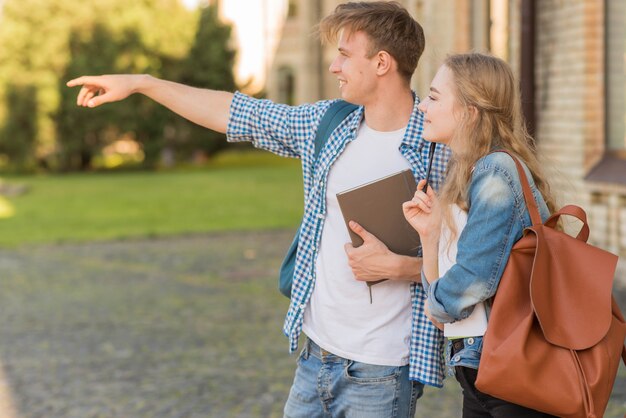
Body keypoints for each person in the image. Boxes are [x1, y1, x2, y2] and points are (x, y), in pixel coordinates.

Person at [67, 2, 450, 417]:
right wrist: (144, 84)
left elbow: (476, 267)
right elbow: (237, 113)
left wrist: (400, 268)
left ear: (381, 63)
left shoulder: (441, 152)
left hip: (383, 371)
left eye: (344, 54)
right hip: (315, 357)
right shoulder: (330, 123)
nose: (333, 66)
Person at [402, 52, 557, 418]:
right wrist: (429, 236)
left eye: (435, 97)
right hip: (481, 370)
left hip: (513, 373)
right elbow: (444, 311)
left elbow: (467, 284)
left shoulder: (495, 173)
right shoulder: (469, 174)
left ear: (470, 112)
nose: (422, 106)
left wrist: (438, 303)